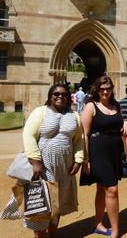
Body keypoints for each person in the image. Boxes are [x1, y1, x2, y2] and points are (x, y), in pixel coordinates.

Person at [21, 84, 84, 238]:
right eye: (56, 94)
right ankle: (41, 235)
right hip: (43, 166)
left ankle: (53, 234)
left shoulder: (74, 115)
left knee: (58, 204)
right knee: (42, 203)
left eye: (64, 94)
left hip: (64, 167)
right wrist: (35, 161)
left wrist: (78, 160)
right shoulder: (40, 112)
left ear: (69, 97)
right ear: (50, 96)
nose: (60, 96)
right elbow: (28, 135)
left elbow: (79, 140)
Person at [80, 76, 127, 238]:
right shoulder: (91, 107)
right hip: (97, 151)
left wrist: (126, 124)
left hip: (114, 151)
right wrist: (85, 160)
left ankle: (99, 224)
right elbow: (84, 135)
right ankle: (115, 231)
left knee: (102, 189)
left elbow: (121, 125)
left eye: (108, 88)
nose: (105, 91)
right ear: (97, 90)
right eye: (102, 89)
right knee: (112, 189)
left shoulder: (117, 105)